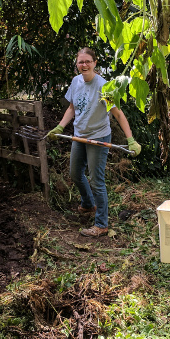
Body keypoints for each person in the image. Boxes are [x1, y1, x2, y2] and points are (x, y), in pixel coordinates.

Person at [48, 48, 142, 238]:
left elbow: (117, 113)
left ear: (95, 63)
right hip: (79, 135)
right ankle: (88, 204)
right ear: (77, 63)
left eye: (87, 61)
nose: (84, 65)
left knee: (96, 180)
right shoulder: (75, 82)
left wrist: (130, 139)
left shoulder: (104, 87)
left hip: (98, 137)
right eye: (81, 62)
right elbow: (72, 107)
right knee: (75, 173)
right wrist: (59, 127)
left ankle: (101, 224)